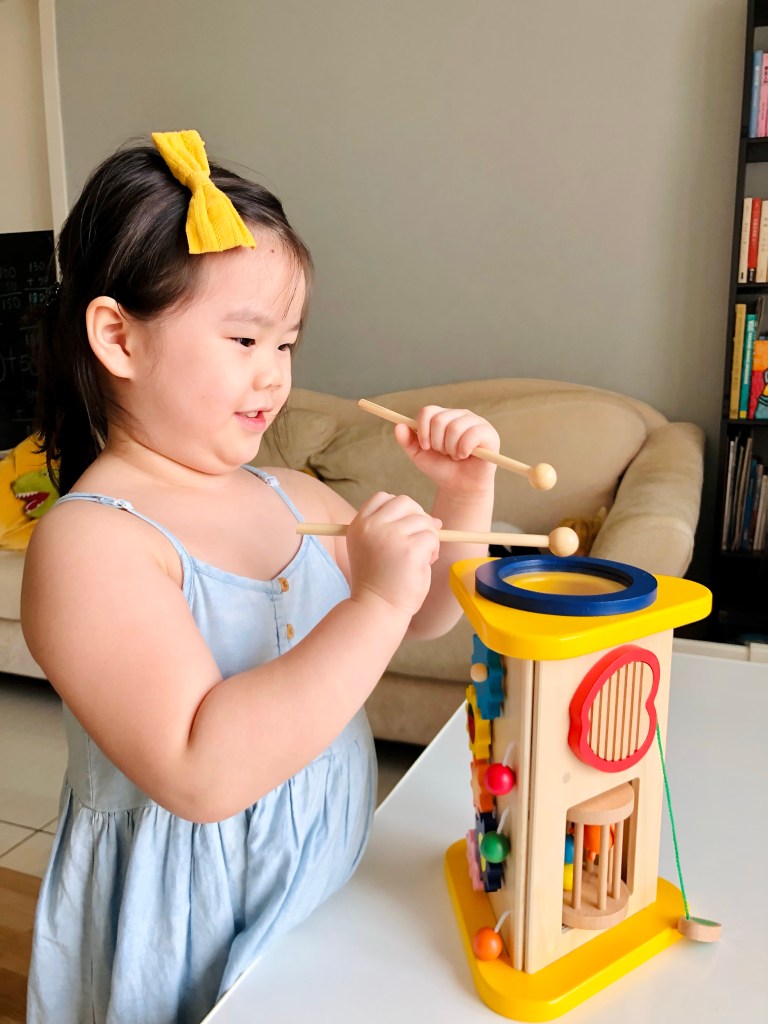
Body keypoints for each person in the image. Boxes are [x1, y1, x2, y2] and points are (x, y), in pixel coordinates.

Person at [21, 130, 500, 1024]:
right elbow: (199, 772)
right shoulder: (93, 545)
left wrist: (462, 498)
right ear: (118, 338)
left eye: (286, 344)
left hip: (317, 874)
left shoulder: (292, 495)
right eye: (244, 338)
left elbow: (428, 615)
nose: (273, 377)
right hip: (183, 918)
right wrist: (374, 601)